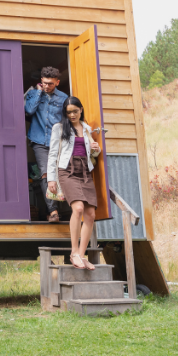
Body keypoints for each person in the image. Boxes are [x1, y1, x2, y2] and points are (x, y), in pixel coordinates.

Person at [47, 97, 102, 270]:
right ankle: (74, 253)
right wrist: (51, 178)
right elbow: (53, 153)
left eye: (75, 111)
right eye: (68, 112)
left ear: (81, 109)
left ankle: (82, 255)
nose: (72, 115)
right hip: (67, 171)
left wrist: (96, 150)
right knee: (77, 208)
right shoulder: (60, 128)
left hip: (85, 171)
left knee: (91, 214)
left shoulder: (86, 129)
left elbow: (92, 155)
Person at [24, 66, 68, 223]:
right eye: (44, 83)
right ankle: (53, 211)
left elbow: (67, 120)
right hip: (39, 141)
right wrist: (38, 92)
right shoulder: (34, 94)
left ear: (57, 82)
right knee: (45, 174)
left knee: (59, 173)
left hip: (57, 142)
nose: (47, 86)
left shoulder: (64, 98)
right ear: (41, 81)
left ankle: (61, 207)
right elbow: (29, 111)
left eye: (50, 83)